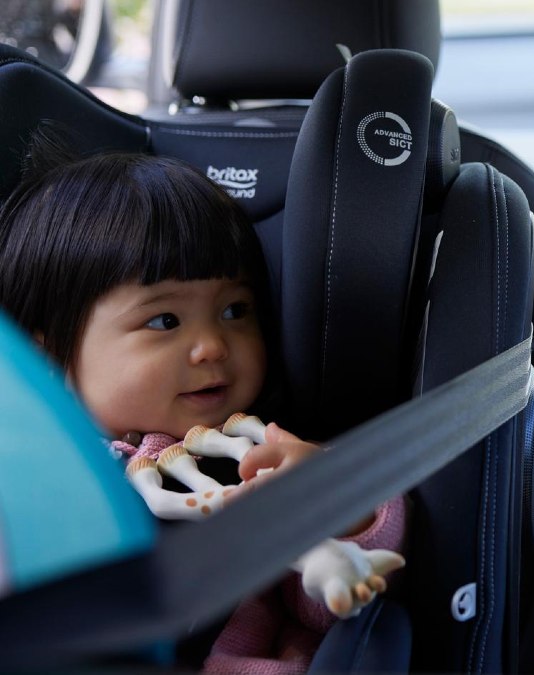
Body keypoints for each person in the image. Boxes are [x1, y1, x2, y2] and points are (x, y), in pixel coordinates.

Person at [0, 131, 407, 674]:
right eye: (164, 320)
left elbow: (325, 608)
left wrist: (334, 498)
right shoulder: (23, 463)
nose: (214, 345)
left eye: (236, 310)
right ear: (47, 358)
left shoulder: (260, 456)